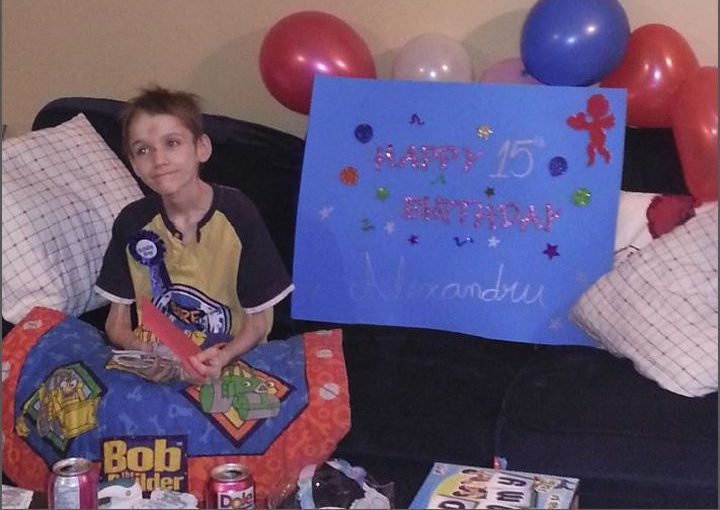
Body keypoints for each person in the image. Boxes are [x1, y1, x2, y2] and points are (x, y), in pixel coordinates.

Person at [95, 85, 294, 384]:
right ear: (134, 164)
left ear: (202, 148)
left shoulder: (238, 214)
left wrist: (222, 358)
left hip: (232, 358)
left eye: (172, 143)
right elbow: (116, 322)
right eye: (143, 150)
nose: (159, 160)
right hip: (158, 360)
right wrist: (143, 351)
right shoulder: (131, 222)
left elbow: (259, 322)